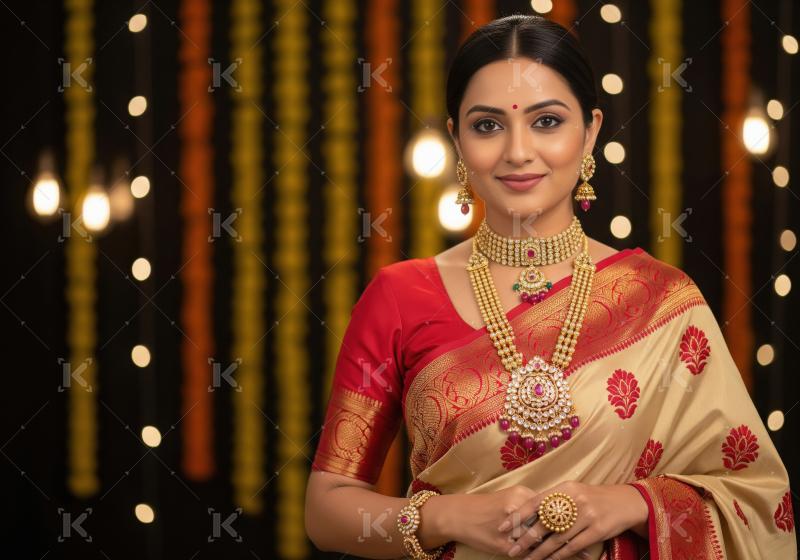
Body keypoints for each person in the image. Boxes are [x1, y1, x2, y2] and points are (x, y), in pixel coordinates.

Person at [305, 14, 796, 560]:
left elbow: (757, 499)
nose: (518, 151)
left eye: (547, 121)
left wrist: (632, 504)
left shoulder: (660, 297)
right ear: (456, 138)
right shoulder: (400, 296)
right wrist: (448, 517)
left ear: (590, 131)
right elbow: (328, 509)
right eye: (487, 126)